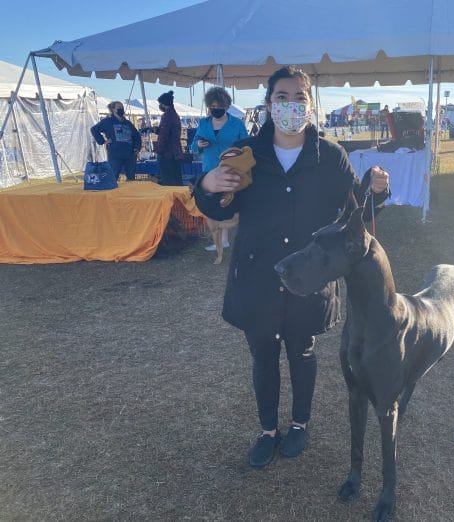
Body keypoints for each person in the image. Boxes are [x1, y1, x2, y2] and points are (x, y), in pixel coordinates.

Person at [193, 66, 390, 468]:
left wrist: (375, 190)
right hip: (257, 275)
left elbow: (355, 208)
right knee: (262, 356)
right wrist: (207, 186)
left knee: (302, 352)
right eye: (282, 97)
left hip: (309, 276)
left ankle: (300, 424)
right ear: (268, 105)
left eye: (300, 98)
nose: (291, 105)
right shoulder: (247, 154)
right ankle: (268, 430)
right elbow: (217, 204)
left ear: (311, 105)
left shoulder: (330, 156)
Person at [190, 86, 249, 251]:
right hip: (209, 170)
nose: (215, 110)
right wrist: (199, 145)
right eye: (212, 107)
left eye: (219, 107)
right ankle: (220, 240)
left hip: (231, 168)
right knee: (212, 203)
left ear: (226, 106)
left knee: (228, 203)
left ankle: (226, 238)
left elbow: (247, 145)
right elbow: (193, 145)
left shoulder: (236, 124)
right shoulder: (203, 123)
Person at [90, 101, 141, 181]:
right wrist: (103, 141)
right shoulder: (107, 121)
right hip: (115, 155)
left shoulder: (128, 123)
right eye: (119, 108)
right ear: (113, 109)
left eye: (122, 107)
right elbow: (94, 129)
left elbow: (137, 136)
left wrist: (137, 148)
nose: (121, 109)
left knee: (131, 178)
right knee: (113, 177)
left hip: (130, 155)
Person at [155, 90, 184, 186]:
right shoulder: (175, 115)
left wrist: (159, 151)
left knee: (168, 182)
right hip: (176, 153)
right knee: (177, 180)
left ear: (163, 104)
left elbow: (164, 136)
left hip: (167, 154)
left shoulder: (167, 116)